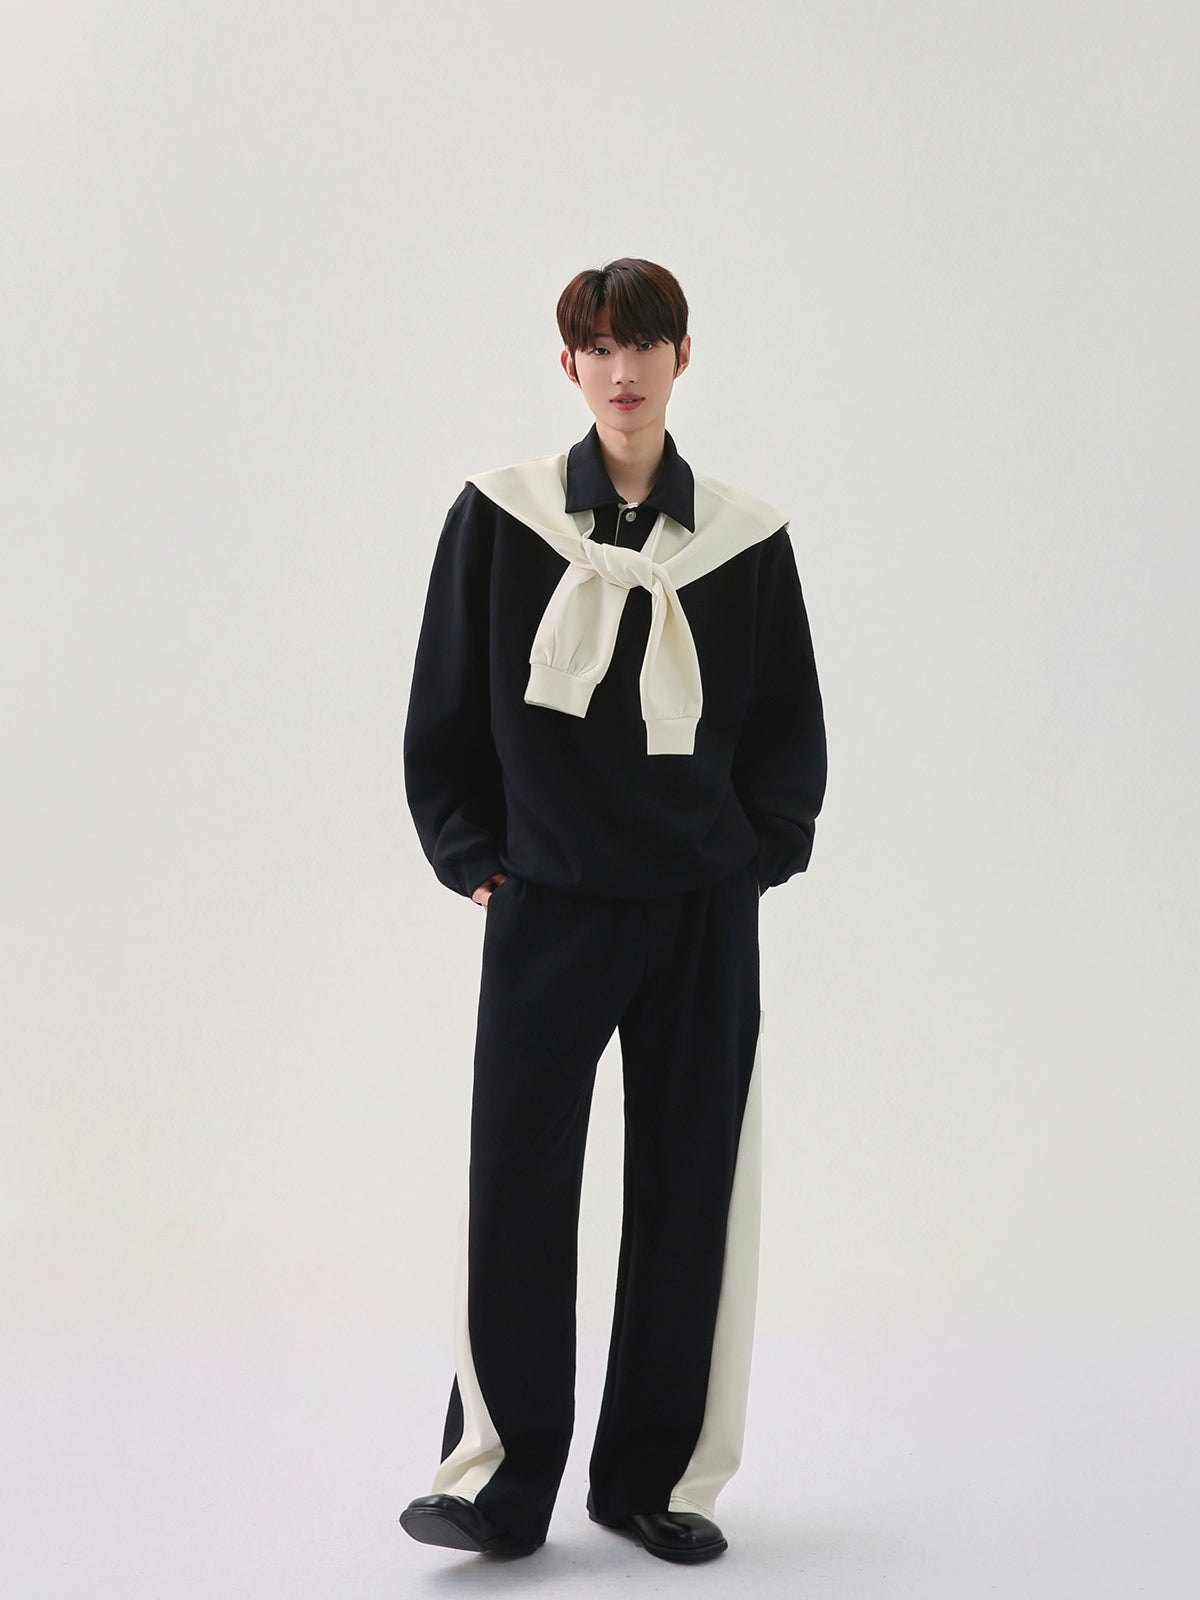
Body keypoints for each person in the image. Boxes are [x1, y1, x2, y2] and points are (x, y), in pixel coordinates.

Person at [399, 258, 826, 1565]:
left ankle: (657, 1479)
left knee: (694, 1191)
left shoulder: (744, 538)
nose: (623, 369)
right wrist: (476, 856)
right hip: (550, 906)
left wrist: (752, 860)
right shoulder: (503, 517)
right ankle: (496, 1481)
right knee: (516, 1189)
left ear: (683, 358)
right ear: (570, 366)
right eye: (599, 347)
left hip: (699, 914)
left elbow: (788, 723)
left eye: (646, 344)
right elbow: (444, 705)